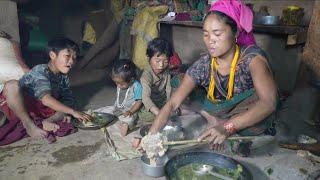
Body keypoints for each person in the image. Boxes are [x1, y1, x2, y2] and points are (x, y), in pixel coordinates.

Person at [148, 0, 278, 151]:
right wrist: (151, 137)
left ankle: (223, 122)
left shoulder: (252, 59)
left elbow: (269, 103)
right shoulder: (204, 64)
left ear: (235, 33)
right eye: (206, 35)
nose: (210, 41)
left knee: (259, 122)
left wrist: (228, 127)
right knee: (179, 81)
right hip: (218, 106)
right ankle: (214, 119)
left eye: (217, 34)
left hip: (243, 109)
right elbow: (172, 104)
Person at [0, 37, 92, 145]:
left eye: (74, 58)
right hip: (18, 106)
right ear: (53, 55)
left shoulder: (63, 77)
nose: (71, 61)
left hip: (39, 110)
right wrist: (72, 112)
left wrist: (68, 111)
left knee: (66, 108)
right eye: (67, 56)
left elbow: (69, 99)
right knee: (12, 85)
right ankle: (28, 124)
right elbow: (46, 100)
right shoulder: (41, 70)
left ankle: (48, 121)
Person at [138, 38, 174, 123]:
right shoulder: (146, 76)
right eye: (157, 61)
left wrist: (169, 105)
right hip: (149, 103)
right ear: (149, 59)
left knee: (175, 107)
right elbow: (145, 98)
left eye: (165, 61)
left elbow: (169, 90)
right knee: (146, 116)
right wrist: (159, 113)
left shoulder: (167, 71)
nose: (161, 65)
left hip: (162, 101)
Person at [111, 59, 143, 136]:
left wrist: (131, 111)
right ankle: (120, 121)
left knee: (132, 118)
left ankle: (127, 126)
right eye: (116, 83)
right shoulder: (120, 82)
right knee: (110, 112)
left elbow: (139, 102)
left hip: (132, 109)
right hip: (120, 108)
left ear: (131, 80)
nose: (118, 85)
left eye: (121, 84)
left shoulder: (137, 86)